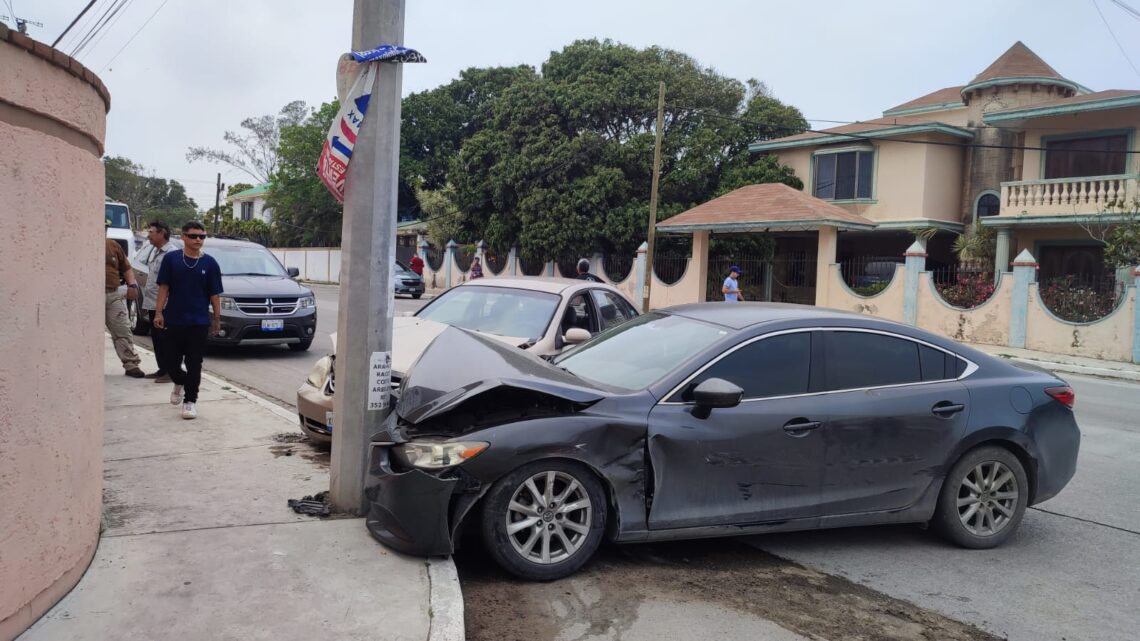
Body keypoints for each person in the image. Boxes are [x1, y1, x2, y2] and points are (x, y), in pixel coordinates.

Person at [154, 221, 223, 420]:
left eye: (202, 236)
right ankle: (179, 382)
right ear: (183, 236)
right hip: (174, 320)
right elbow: (164, 287)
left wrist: (217, 318)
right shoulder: (171, 259)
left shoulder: (210, 263)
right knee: (171, 362)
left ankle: (190, 401)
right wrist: (159, 312)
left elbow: (215, 294)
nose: (198, 240)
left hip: (198, 322)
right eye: (193, 236)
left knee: (195, 363)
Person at [105, 226, 146, 378]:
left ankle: (131, 364)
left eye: (105, 227)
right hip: (90, 295)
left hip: (112, 293)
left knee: (123, 328)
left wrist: (132, 285)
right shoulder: (82, 246)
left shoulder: (113, 246)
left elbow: (126, 268)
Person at [141, 221, 177, 382]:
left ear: (162, 233)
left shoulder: (172, 253)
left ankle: (171, 371)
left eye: (151, 232)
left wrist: (163, 308)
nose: (148, 235)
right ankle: (162, 369)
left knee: (167, 339)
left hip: (164, 305)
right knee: (157, 339)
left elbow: (171, 282)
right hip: (152, 302)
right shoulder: (155, 251)